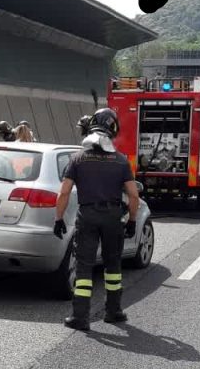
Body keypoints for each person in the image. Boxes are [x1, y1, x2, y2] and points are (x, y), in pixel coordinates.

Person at [53, 108, 140, 331]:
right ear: (113, 130)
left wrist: (58, 218)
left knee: (84, 267)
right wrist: (131, 221)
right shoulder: (120, 161)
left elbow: (64, 193)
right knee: (113, 266)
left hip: (88, 216)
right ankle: (114, 311)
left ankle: (80, 318)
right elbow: (133, 195)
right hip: (113, 217)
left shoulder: (78, 158)